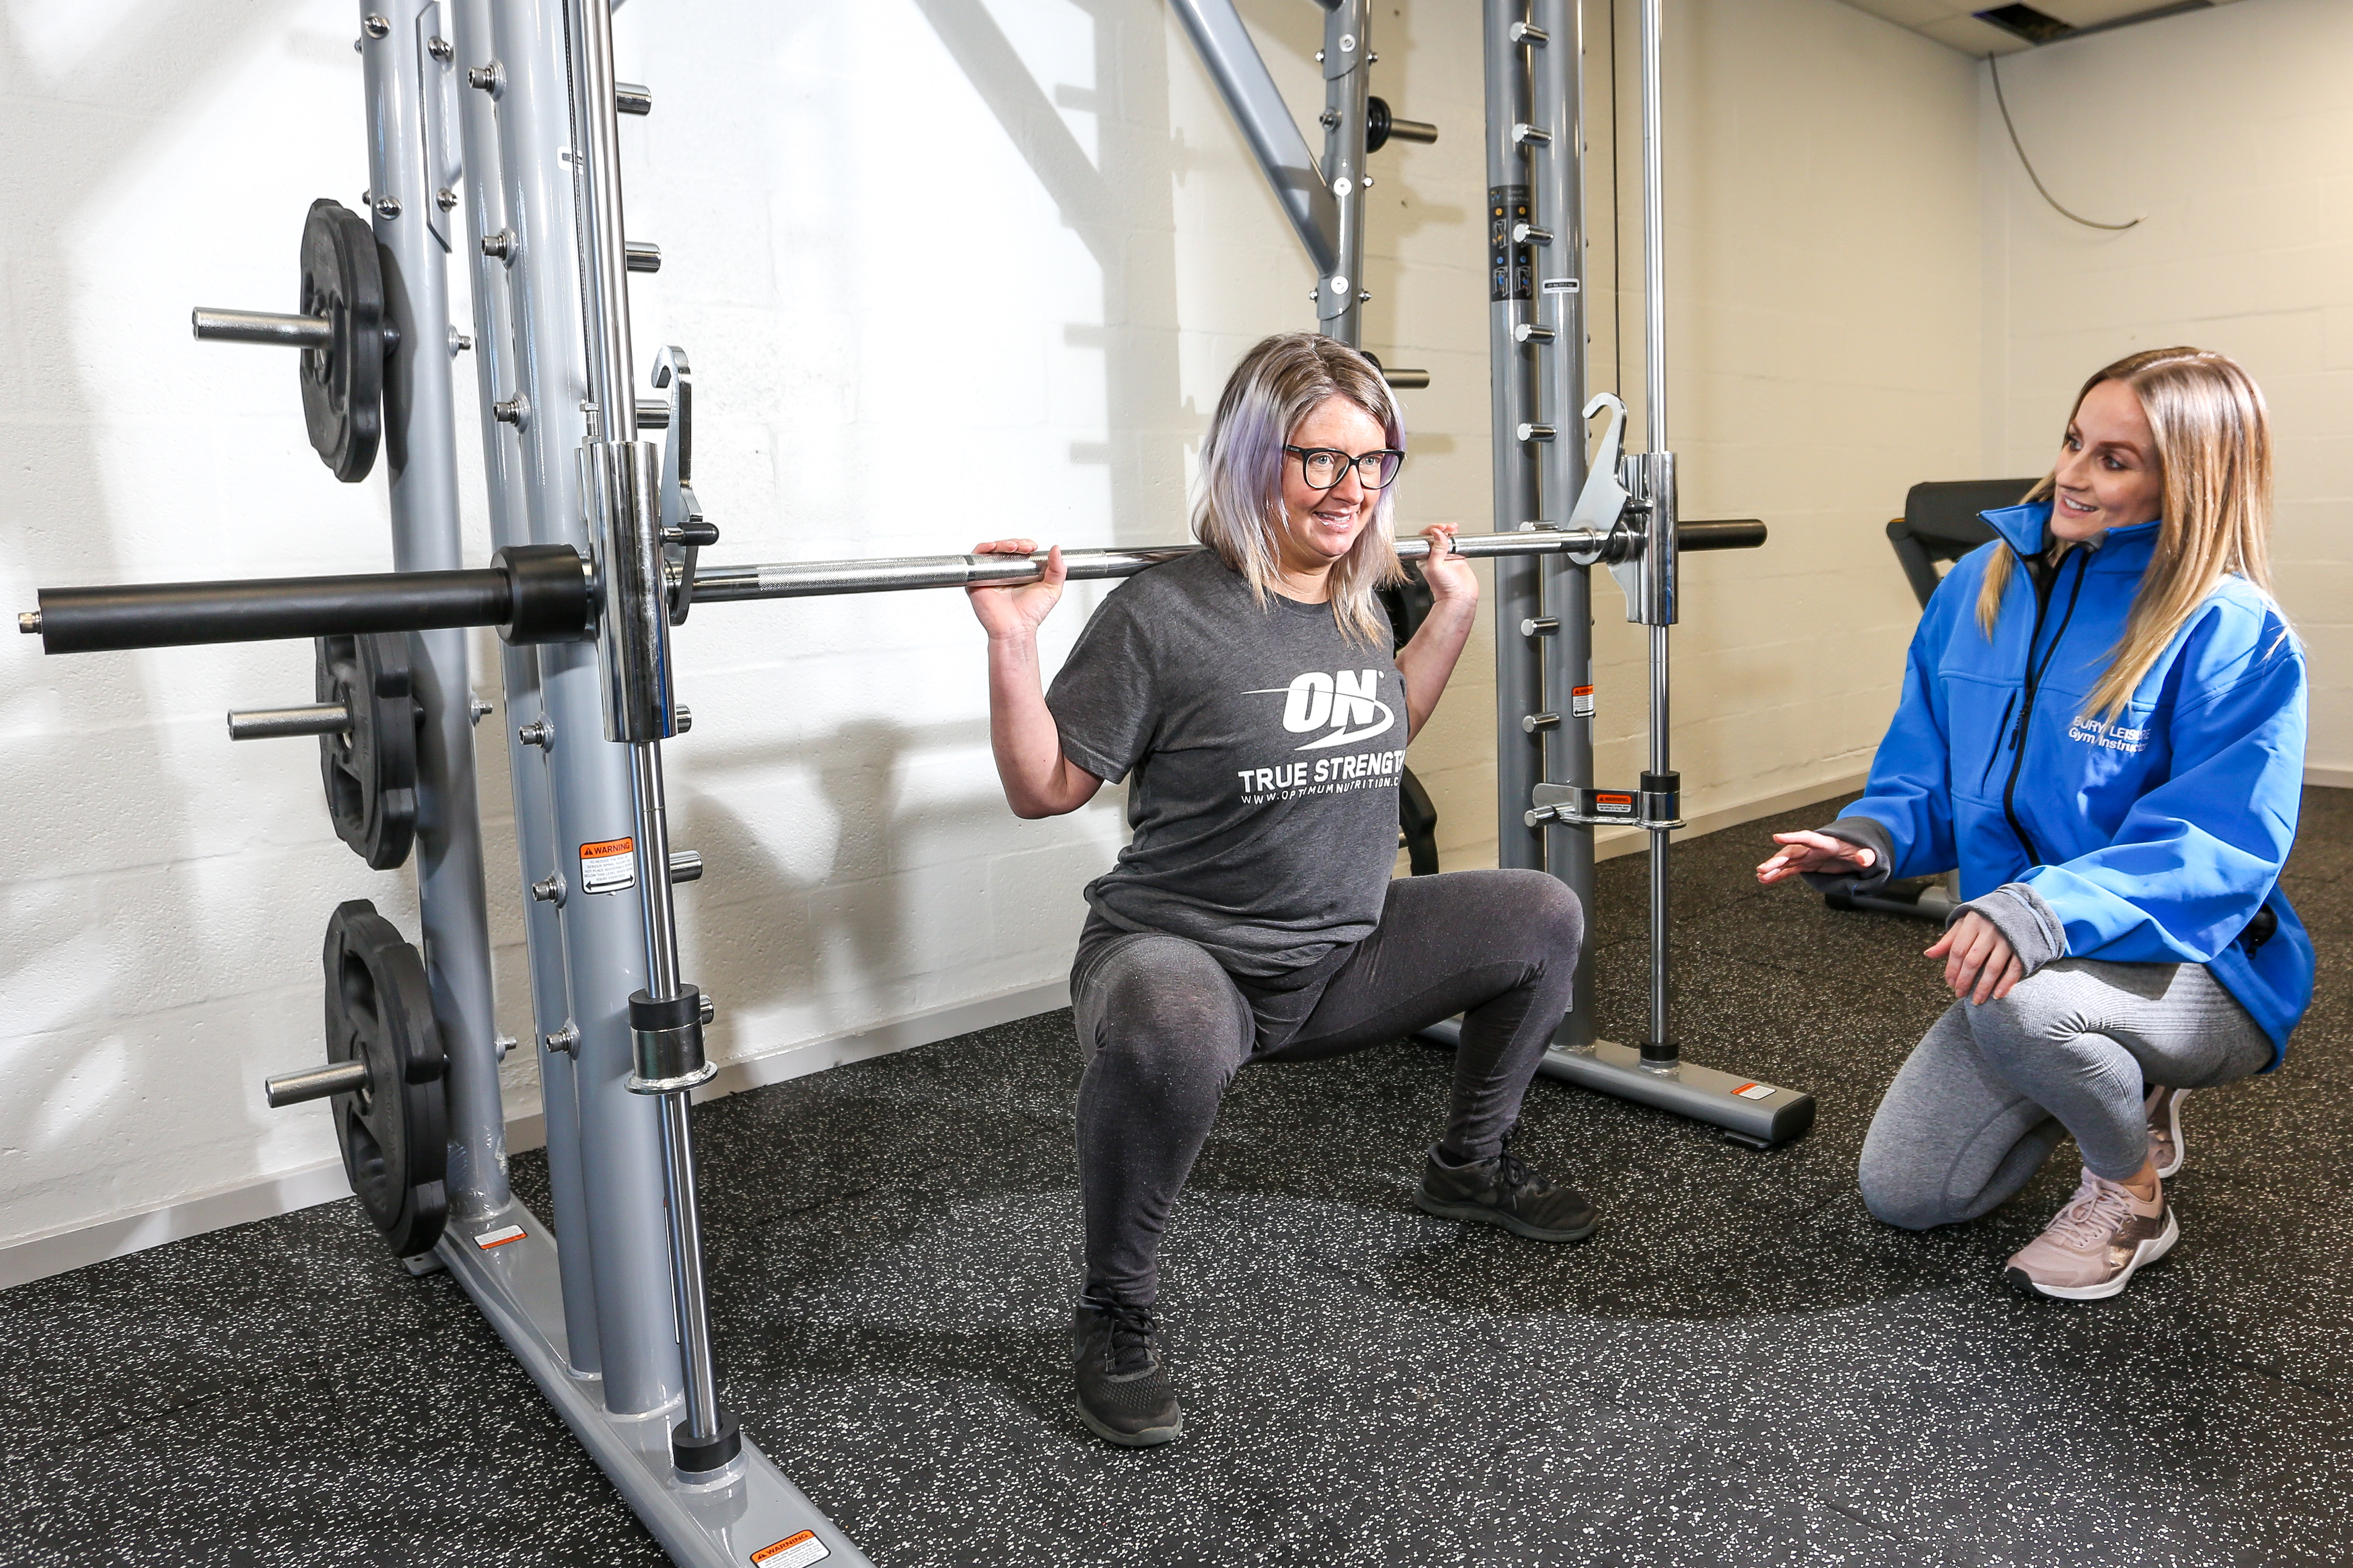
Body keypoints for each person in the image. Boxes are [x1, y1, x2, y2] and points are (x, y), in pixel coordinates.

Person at [966, 332, 1595, 1447]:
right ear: (1253, 458)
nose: (1351, 491)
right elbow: (1044, 788)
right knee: (1166, 1022)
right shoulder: (1164, 613)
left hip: (1339, 956)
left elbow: (1376, 733)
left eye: (1373, 464)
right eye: (1321, 461)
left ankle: (1470, 1168)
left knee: (1543, 915)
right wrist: (1014, 643)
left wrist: (1448, 614)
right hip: (1183, 953)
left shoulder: (1360, 599)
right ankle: (1114, 1311)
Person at [1757, 346, 2311, 1301]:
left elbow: (2216, 847)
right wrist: (1873, 838)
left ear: (2189, 481)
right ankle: (2113, 1078)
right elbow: (1923, 773)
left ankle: (2132, 1193)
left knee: (2019, 1005)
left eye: (2115, 460)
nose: (2072, 475)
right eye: (2072, 442)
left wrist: (2038, 911)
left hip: (2196, 963)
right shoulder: (1984, 583)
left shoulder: (2231, 629)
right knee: (1909, 1193)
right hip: (2031, 953)